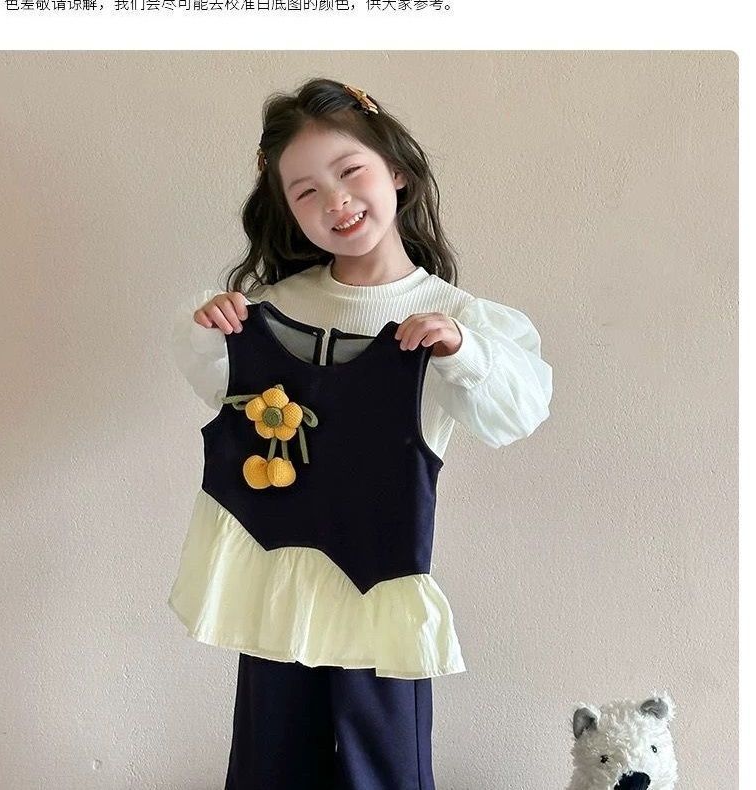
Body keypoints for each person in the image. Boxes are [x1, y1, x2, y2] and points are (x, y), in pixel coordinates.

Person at [168, 77, 553, 790]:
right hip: (274, 597)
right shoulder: (267, 310)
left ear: (396, 170)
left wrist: (463, 350)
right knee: (266, 772)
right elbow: (218, 387)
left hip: (381, 597)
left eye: (351, 172)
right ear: (287, 210)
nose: (337, 201)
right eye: (307, 191)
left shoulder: (453, 316)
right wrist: (214, 331)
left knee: (386, 776)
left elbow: (519, 410)